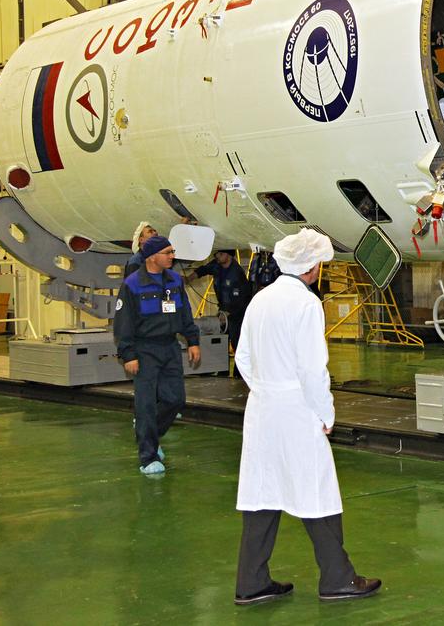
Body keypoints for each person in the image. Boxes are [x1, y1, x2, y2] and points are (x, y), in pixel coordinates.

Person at [234, 229, 382, 605]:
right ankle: (338, 578)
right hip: (296, 408)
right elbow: (312, 369)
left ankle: (251, 582)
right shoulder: (306, 304)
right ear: (313, 267)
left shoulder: (260, 300)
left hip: (262, 407)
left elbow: (243, 358)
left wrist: (266, 388)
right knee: (317, 492)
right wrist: (325, 412)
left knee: (261, 493)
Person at [114, 235, 201, 475]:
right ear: (153, 256)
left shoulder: (174, 280)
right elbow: (123, 323)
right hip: (144, 350)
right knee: (145, 404)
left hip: (170, 347)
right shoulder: (132, 284)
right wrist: (128, 354)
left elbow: (185, 313)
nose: (172, 256)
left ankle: (149, 434)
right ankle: (148, 456)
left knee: (175, 399)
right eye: (168, 252)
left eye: (173, 252)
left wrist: (193, 341)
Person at [191, 249, 252, 352]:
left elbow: (243, 300)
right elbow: (203, 270)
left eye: (221, 254)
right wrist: (188, 278)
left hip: (236, 313)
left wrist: (228, 314)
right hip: (223, 309)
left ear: (229, 256)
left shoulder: (237, 274)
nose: (217, 256)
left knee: (236, 343)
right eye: (216, 254)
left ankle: (240, 366)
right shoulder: (217, 265)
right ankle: (222, 366)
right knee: (219, 342)